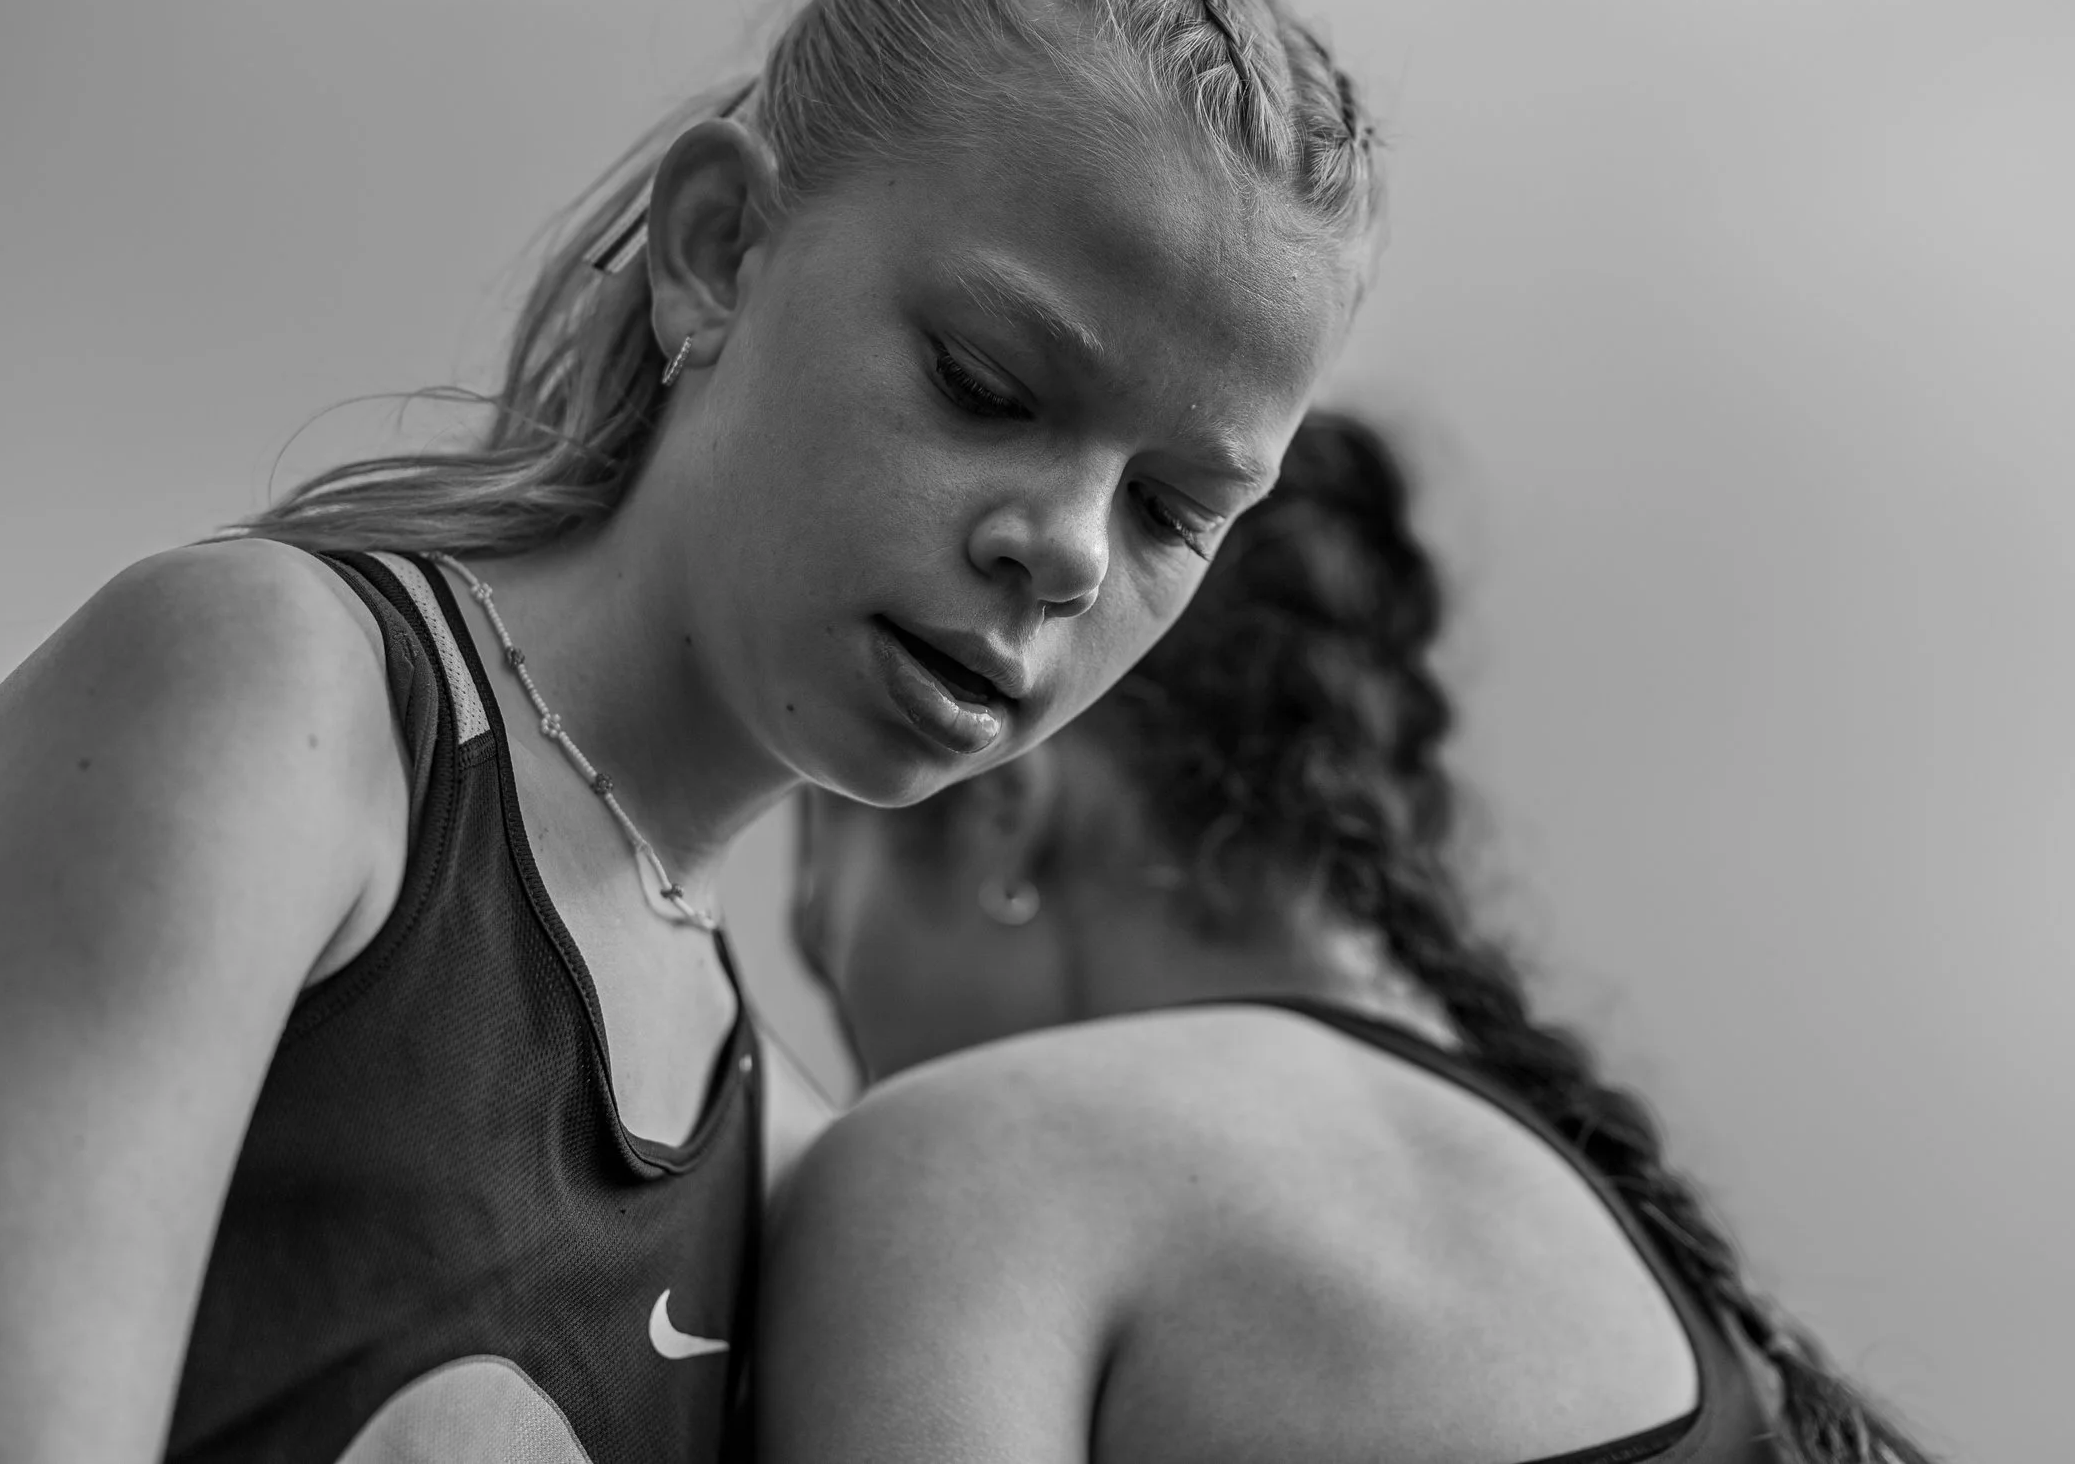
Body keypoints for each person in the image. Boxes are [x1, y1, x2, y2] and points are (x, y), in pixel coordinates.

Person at [0, 0, 1380, 1464]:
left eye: (1177, 508)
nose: (1066, 550)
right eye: (986, 383)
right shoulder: (267, 702)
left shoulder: (777, 1149)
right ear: (714, 250)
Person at [771, 411, 1933, 1464]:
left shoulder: (976, 1168)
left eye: (826, 939)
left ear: (997, 807)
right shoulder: (1660, 1292)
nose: (848, 1039)